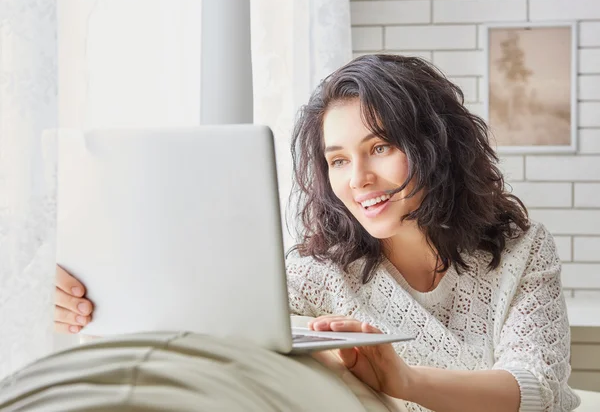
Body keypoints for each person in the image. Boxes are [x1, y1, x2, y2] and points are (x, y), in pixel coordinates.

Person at [55, 54, 580, 411]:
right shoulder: (318, 271)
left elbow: (539, 386)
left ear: (436, 143)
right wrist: (93, 300)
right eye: (337, 160)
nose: (358, 181)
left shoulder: (521, 250)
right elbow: (201, 323)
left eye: (379, 148)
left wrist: (405, 380)